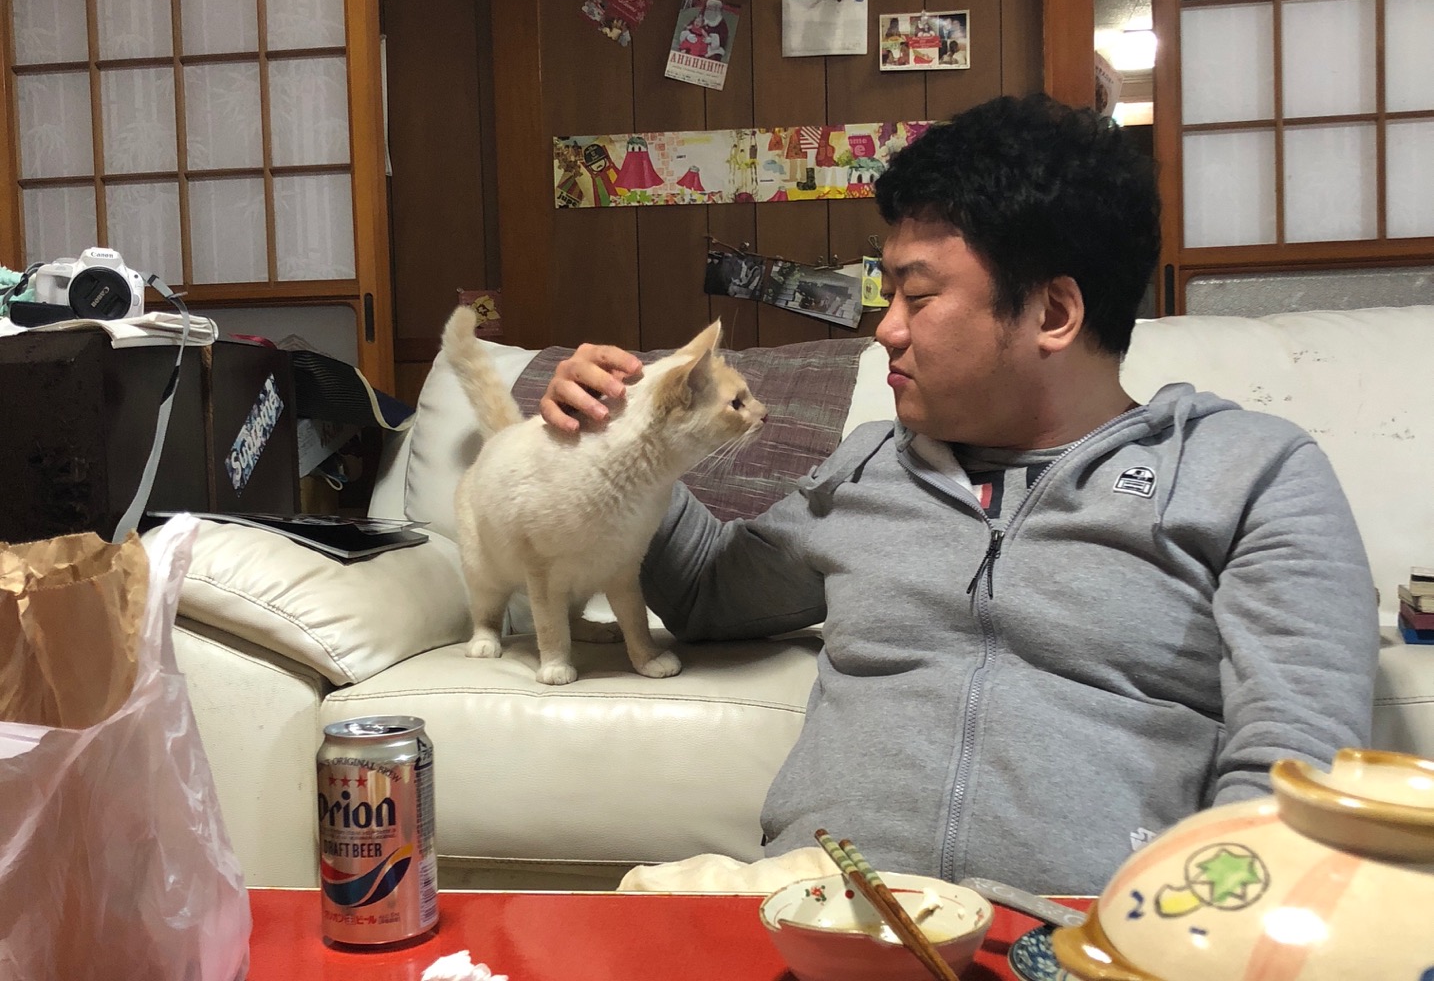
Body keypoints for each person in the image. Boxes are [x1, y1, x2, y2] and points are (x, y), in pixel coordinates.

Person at [537, 94, 1378, 895]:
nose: (886, 328)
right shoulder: (870, 467)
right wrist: (621, 441)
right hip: (822, 916)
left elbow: (1297, 769)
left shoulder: (1250, 474)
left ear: (1054, 312)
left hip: (1085, 939)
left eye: (919, 296)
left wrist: (1182, 934)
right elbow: (705, 590)